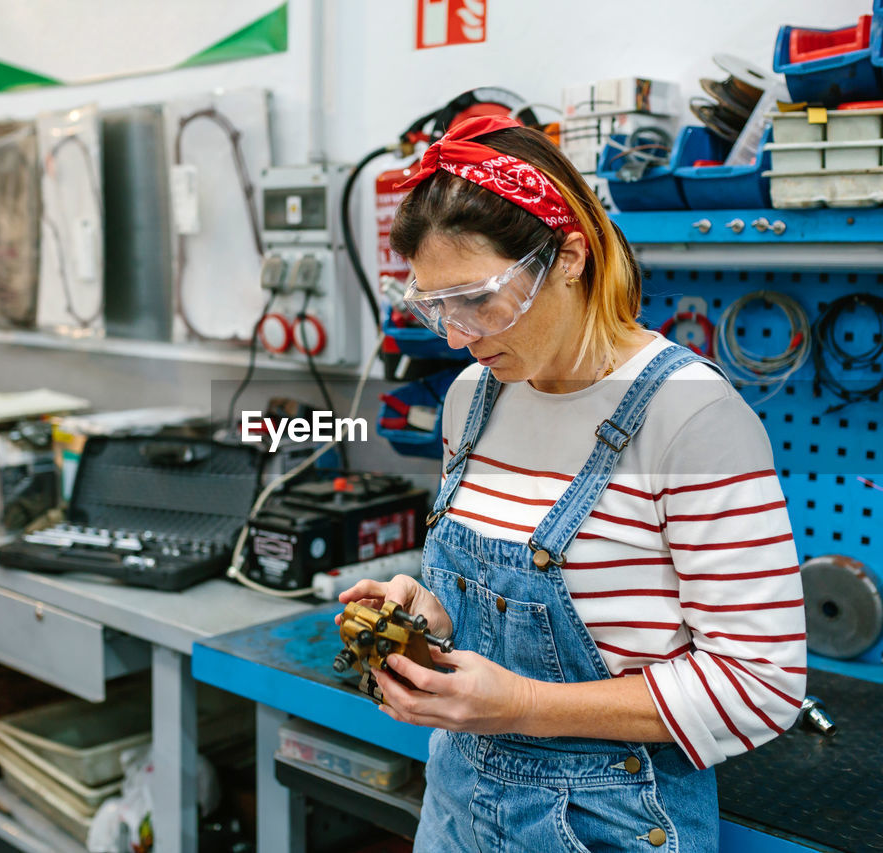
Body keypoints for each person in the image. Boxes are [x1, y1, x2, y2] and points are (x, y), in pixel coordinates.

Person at [339, 115, 806, 853]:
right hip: (455, 810)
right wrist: (425, 615)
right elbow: (506, 618)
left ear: (568, 256)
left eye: (477, 298)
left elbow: (761, 687)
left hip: (605, 825)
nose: (457, 335)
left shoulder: (692, 416)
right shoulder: (472, 395)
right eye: (435, 307)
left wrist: (521, 704)